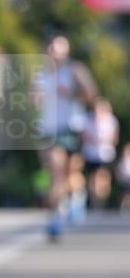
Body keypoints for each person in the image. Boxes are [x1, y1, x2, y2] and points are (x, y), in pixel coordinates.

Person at [32, 33, 97, 239]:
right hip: (49, 130)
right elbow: (33, 99)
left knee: (72, 175)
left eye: (58, 47)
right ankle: (54, 218)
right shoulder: (41, 74)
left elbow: (91, 95)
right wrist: (36, 97)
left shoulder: (75, 71)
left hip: (72, 128)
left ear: (66, 50)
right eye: (51, 47)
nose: (54, 51)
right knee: (55, 172)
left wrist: (70, 93)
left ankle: (77, 196)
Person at [81, 97, 119, 210]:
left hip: (106, 155)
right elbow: (83, 136)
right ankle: (94, 203)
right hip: (91, 154)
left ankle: (101, 203)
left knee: (103, 178)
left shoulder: (111, 121)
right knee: (93, 180)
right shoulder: (87, 119)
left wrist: (105, 140)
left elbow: (115, 138)